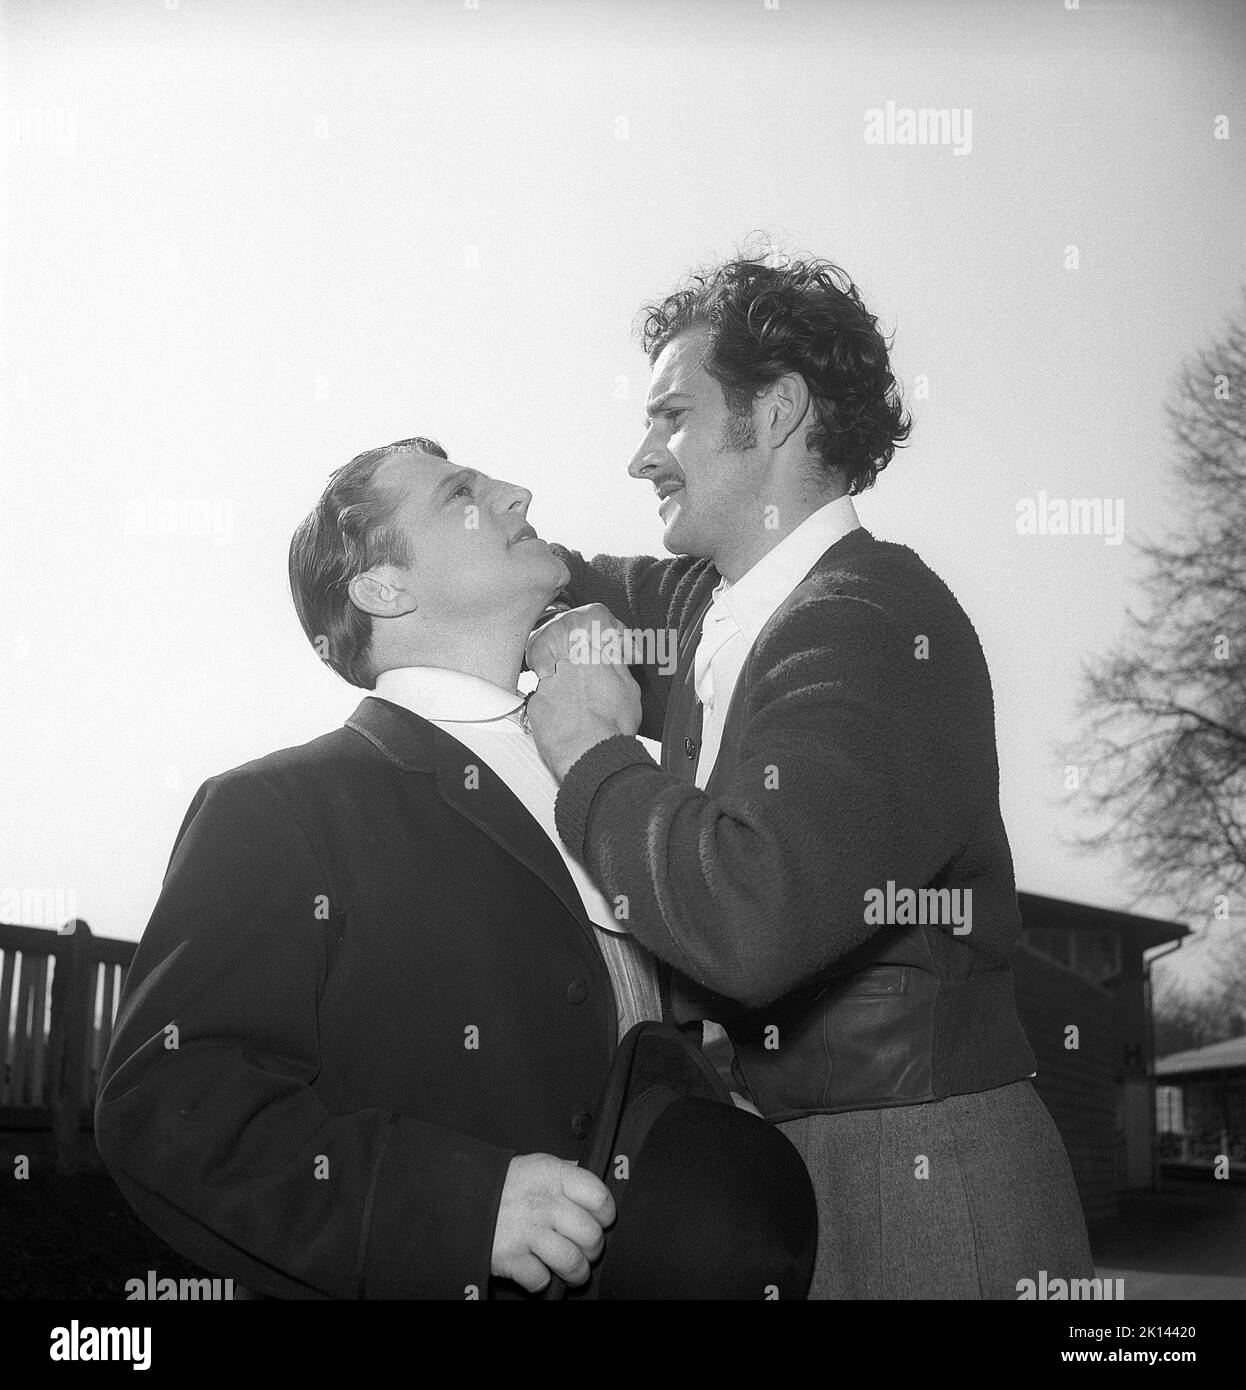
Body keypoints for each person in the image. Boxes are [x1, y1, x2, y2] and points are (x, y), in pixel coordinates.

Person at [525, 255, 1095, 1299]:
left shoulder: (877, 625)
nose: (639, 454)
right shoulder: (709, 606)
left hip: (921, 1174)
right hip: (784, 1170)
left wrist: (593, 758)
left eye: (669, 416)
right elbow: (546, 578)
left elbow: (750, 917)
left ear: (776, 411)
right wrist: (456, 521)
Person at [95, 436, 663, 1299]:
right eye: (462, 494)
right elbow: (170, 1105)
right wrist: (462, 1207)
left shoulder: (610, 769)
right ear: (382, 586)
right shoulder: (280, 810)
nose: (517, 492)